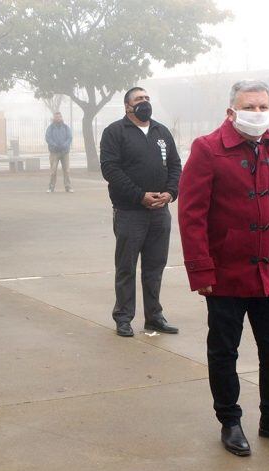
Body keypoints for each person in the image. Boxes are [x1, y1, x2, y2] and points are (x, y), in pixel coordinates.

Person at [178, 80, 269, 457]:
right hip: (226, 275)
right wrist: (201, 270)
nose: (257, 113)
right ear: (231, 111)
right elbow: (192, 215)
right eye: (249, 106)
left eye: (262, 106)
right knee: (224, 351)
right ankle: (230, 420)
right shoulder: (207, 150)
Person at [100, 87, 181, 338]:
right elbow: (110, 170)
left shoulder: (161, 131)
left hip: (160, 212)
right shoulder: (115, 132)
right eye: (139, 99)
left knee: (155, 266)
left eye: (147, 98)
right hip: (130, 212)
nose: (144, 102)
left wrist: (170, 192)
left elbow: (176, 165)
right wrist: (139, 196)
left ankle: (154, 317)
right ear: (127, 106)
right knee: (126, 267)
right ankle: (123, 317)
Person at [45, 112, 73, 193]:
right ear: (54, 118)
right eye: (56, 117)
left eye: (59, 117)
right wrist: (55, 145)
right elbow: (48, 138)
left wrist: (64, 145)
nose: (57, 118)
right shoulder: (50, 128)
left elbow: (70, 137)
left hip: (65, 152)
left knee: (67, 170)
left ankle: (68, 187)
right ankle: (51, 187)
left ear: (61, 118)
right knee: (53, 171)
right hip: (54, 153)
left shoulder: (66, 127)